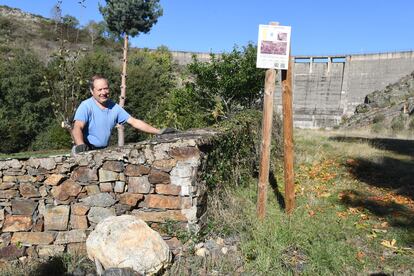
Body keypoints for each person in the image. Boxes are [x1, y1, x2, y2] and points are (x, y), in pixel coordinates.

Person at [71, 75, 173, 155]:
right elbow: (77, 127)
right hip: (84, 150)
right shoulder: (86, 106)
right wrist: (81, 145)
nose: (104, 92)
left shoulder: (114, 107)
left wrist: (159, 132)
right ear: (92, 91)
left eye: (106, 88)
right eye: (100, 90)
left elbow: (134, 122)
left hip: (101, 151)